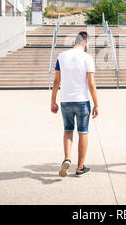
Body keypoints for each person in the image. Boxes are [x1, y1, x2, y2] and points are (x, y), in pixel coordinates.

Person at [51, 31, 99, 178]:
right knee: (83, 132)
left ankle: (67, 158)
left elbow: (56, 81)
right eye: (88, 43)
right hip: (82, 101)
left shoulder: (61, 56)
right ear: (85, 42)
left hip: (65, 101)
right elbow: (91, 84)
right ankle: (79, 167)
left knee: (68, 131)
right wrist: (96, 104)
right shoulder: (87, 58)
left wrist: (52, 101)